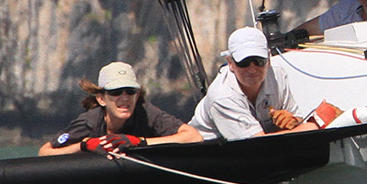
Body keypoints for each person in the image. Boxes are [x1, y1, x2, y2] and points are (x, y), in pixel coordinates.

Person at [38, 61, 202, 156]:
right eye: (116, 92)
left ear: (137, 96)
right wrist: (84, 146)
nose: (124, 98)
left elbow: (193, 137)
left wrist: (139, 142)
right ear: (101, 99)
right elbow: (44, 152)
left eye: (130, 91)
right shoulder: (89, 122)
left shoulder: (146, 113)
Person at [191, 27, 307, 140]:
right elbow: (257, 145)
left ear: (269, 60)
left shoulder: (278, 75)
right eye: (244, 62)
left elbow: (297, 119)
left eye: (259, 61)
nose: (252, 69)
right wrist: (315, 124)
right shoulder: (222, 96)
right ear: (230, 63)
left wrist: (292, 122)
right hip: (209, 152)